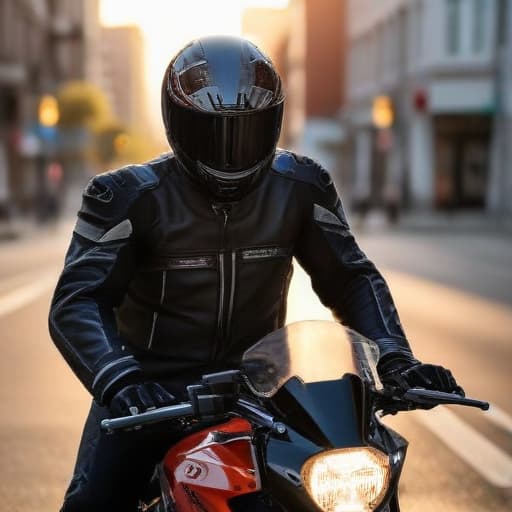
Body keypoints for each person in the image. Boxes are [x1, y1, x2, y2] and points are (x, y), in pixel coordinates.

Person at [49, 35, 463, 511]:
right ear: (177, 123)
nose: (231, 151)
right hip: (150, 395)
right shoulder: (126, 196)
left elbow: (350, 277)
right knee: (94, 502)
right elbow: (78, 300)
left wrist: (395, 358)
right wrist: (119, 381)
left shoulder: (301, 187)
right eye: (213, 132)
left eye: (246, 130)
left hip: (259, 394)